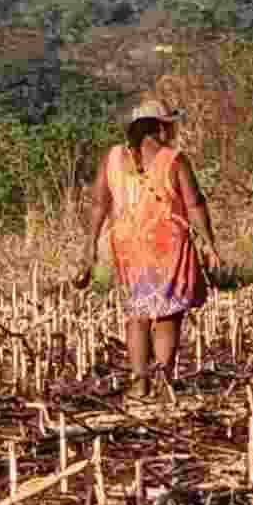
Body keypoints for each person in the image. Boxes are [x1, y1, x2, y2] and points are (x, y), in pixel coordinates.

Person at [74, 98, 222, 397]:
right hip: (168, 244)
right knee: (167, 314)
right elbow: (195, 204)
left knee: (138, 313)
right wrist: (209, 243)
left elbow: (99, 203)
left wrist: (89, 247)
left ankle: (140, 382)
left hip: (129, 246)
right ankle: (165, 379)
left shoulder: (113, 158)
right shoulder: (173, 159)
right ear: (161, 127)